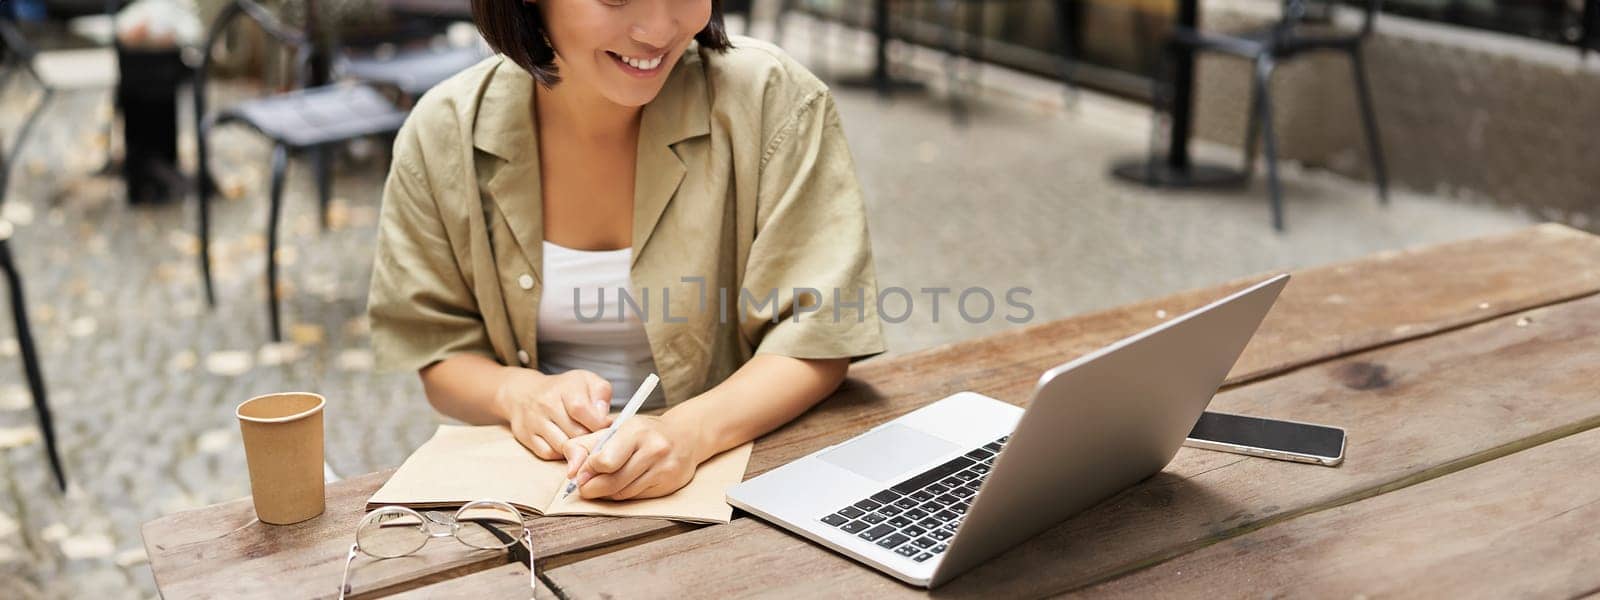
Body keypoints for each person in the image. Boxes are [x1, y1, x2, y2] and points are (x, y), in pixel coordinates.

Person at [367, 0, 886, 501]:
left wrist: (688, 433)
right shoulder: (443, 133)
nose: (657, 28)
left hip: (738, 477)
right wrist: (514, 393)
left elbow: (818, 337)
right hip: (543, 492)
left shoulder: (775, 101)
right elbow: (439, 349)